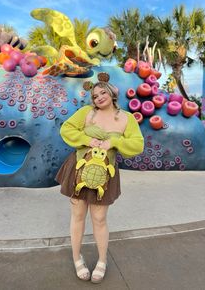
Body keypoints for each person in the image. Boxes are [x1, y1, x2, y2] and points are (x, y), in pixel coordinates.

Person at [55, 81, 144, 283]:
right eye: (95, 95)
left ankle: (102, 260)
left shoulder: (126, 118)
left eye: (103, 92)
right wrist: (87, 140)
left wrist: (114, 142)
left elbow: (137, 144)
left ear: (112, 93)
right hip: (79, 168)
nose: (99, 97)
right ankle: (77, 257)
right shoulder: (87, 112)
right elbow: (66, 129)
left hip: (105, 174)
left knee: (99, 218)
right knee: (77, 215)